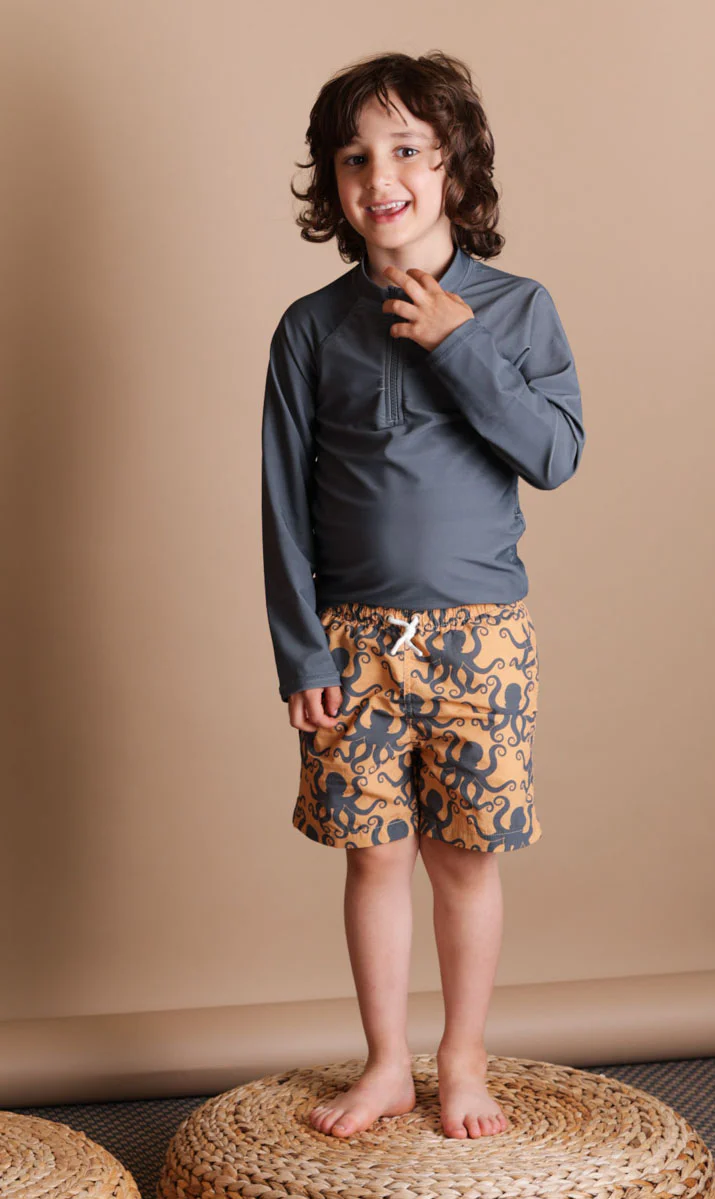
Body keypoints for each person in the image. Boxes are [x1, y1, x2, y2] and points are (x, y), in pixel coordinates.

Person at [260, 50, 585, 1141]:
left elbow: (554, 455)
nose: (379, 175)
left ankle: (461, 1058)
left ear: (453, 167)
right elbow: (280, 501)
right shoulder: (310, 328)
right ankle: (387, 1063)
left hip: (481, 639)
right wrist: (301, 651)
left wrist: (462, 345)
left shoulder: (518, 309)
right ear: (332, 181)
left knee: (463, 859)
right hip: (352, 642)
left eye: (405, 149)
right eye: (354, 157)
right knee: (374, 856)